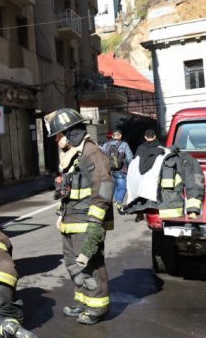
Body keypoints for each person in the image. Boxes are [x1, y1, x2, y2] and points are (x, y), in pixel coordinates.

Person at [45, 108, 113, 325]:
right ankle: (84, 302)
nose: (56, 140)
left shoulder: (91, 153)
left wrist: (94, 224)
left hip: (84, 223)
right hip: (70, 221)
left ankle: (97, 307)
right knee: (73, 265)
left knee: (90, 265)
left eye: (57, 135)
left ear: (69, 132)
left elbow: (103, 188)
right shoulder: (76, 155)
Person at [124, 129, 204, 219]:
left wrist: (134, 204)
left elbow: (131, 180)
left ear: (145, 137)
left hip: (142, 203)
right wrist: (193, 209)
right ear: (155, 137)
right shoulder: (174, 157)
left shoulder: (137, 157)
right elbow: (192, 181)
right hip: (170, 205)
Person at [100, 130, 132, 208]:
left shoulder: (105, 145)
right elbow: (129, 158)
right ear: (120, 136)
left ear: (113, 136)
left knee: (116, 187)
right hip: (121, 170)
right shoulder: (124, 144)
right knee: (123, 187)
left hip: (109, 170)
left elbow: (102, 157)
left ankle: (116, 201)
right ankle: (118, 201)